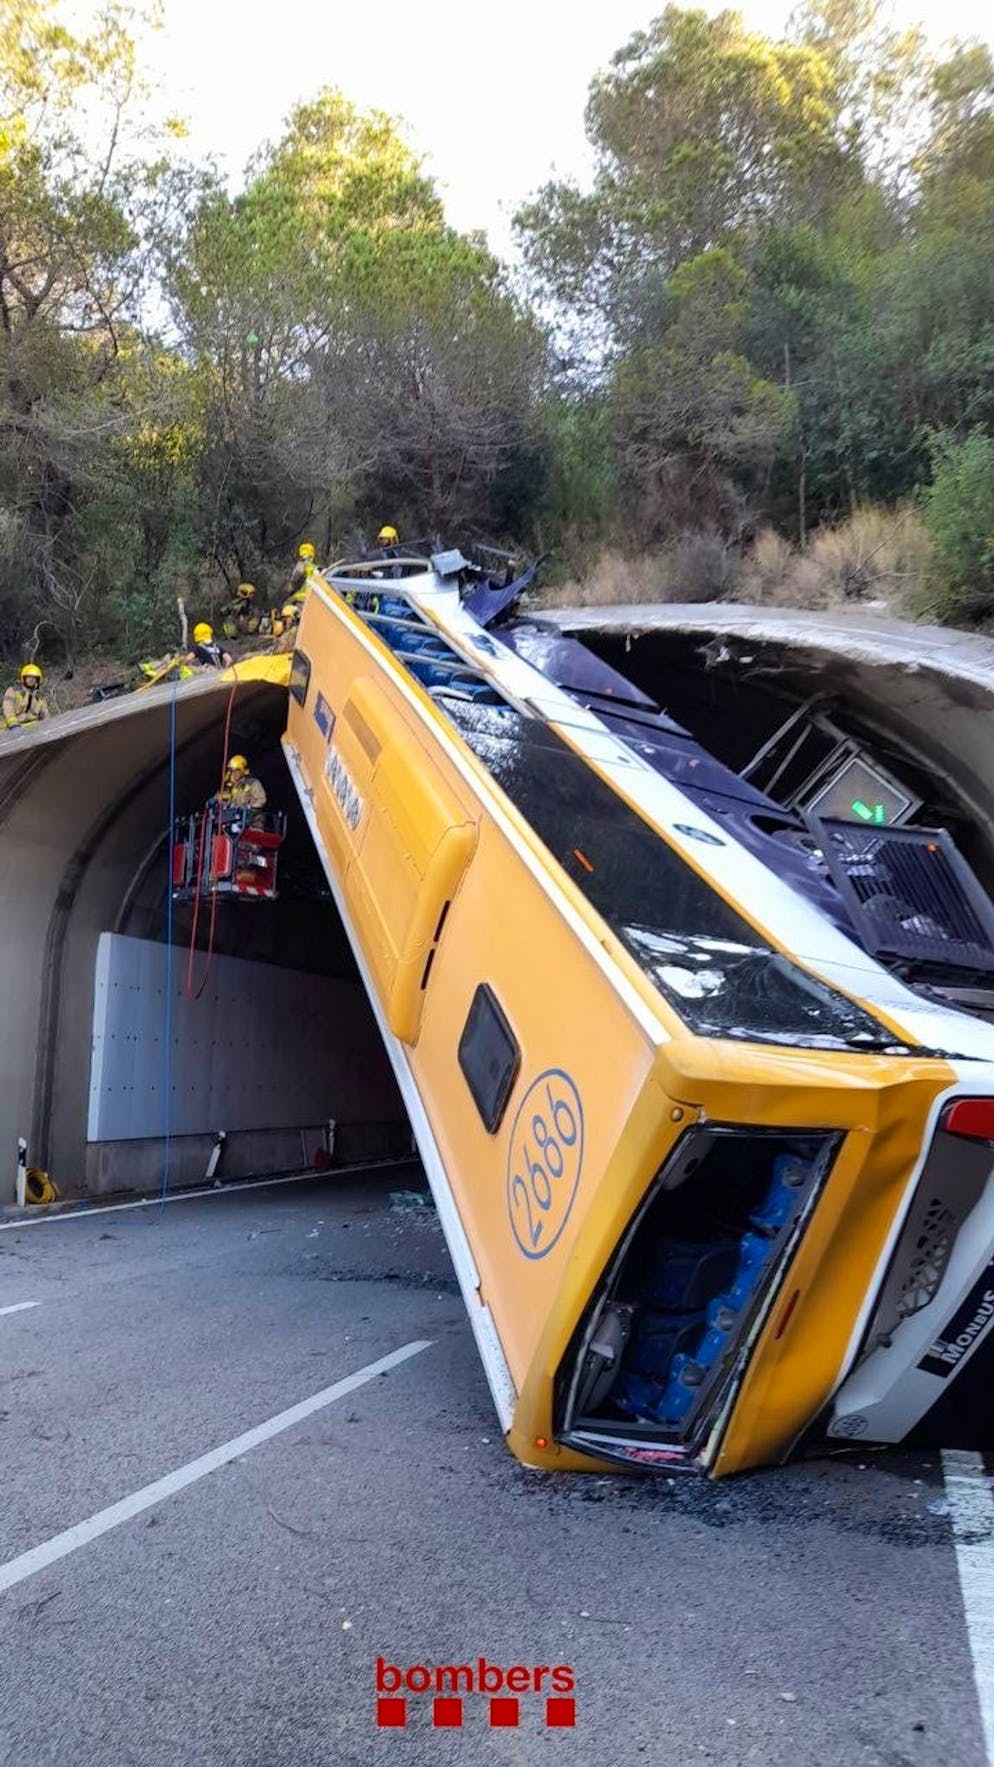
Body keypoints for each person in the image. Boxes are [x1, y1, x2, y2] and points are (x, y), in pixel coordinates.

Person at [217, 754, 267, 827]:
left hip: (253, 823)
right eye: (232, 771)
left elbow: (262, 800)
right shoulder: (234, 787)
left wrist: (249, 808)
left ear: (242, 770)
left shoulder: (253, 783)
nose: (234, 774)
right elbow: (231, 803)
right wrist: (224, 803)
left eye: (236, 771)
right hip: (237, 822)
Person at [3, 663, 49, 729]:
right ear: (24, 678)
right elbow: (8, 709)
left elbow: (45, 715)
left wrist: (48, 725)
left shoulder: (39, 696)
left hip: (34, 728)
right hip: (14, 727)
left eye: (34, 678)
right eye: (29, 677)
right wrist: (13, 725)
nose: (31, 679)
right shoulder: (13, 691)